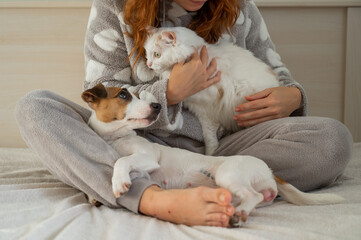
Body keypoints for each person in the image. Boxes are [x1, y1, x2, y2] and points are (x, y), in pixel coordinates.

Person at [15, 0, 353, 228]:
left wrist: (292, 97)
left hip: (223, 149)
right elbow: (105, 99)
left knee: (332, 140)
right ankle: (152, 199)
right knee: (36, 108)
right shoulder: (114, 6)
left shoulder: (240, 8)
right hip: (138, 148)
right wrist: (170, 93)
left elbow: (275, 73)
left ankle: (223, 180)